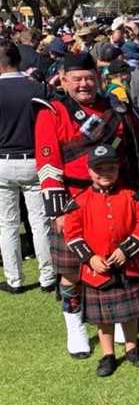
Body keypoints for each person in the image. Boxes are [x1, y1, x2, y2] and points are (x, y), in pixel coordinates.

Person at [35, 52, 139, 359]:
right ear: (63, 80)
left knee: (115, 260)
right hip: (74, 201)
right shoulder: (52, 111)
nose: (84, 84)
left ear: (99, 79)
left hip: (114, 196)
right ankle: (75, 326)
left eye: (89, 78)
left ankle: (118, 319)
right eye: (76, 79)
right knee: (71, 272)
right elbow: (48, 164)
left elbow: (129, 154)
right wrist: (59, 209)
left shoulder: (113, 109)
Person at [62, 144, 139, 377]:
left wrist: (127, 250)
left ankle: (132, 349)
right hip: (98, 270)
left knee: (130, 313)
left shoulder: (132, 195)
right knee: (104, 318)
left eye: (110, 168)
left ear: (118, 168)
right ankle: (108, 355)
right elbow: (72, 234)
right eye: (99, 169)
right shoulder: (79, 201)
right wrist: (90, 258)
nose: (105, 173)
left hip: (129, 265)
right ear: (89, 171)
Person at [0, 40, 54, 294]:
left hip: (4, 162)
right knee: (39, 221)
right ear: (18, 61)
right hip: (34, 159)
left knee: (7, 224)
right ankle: (47, 276)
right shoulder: (37, 88)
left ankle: (15, 279)